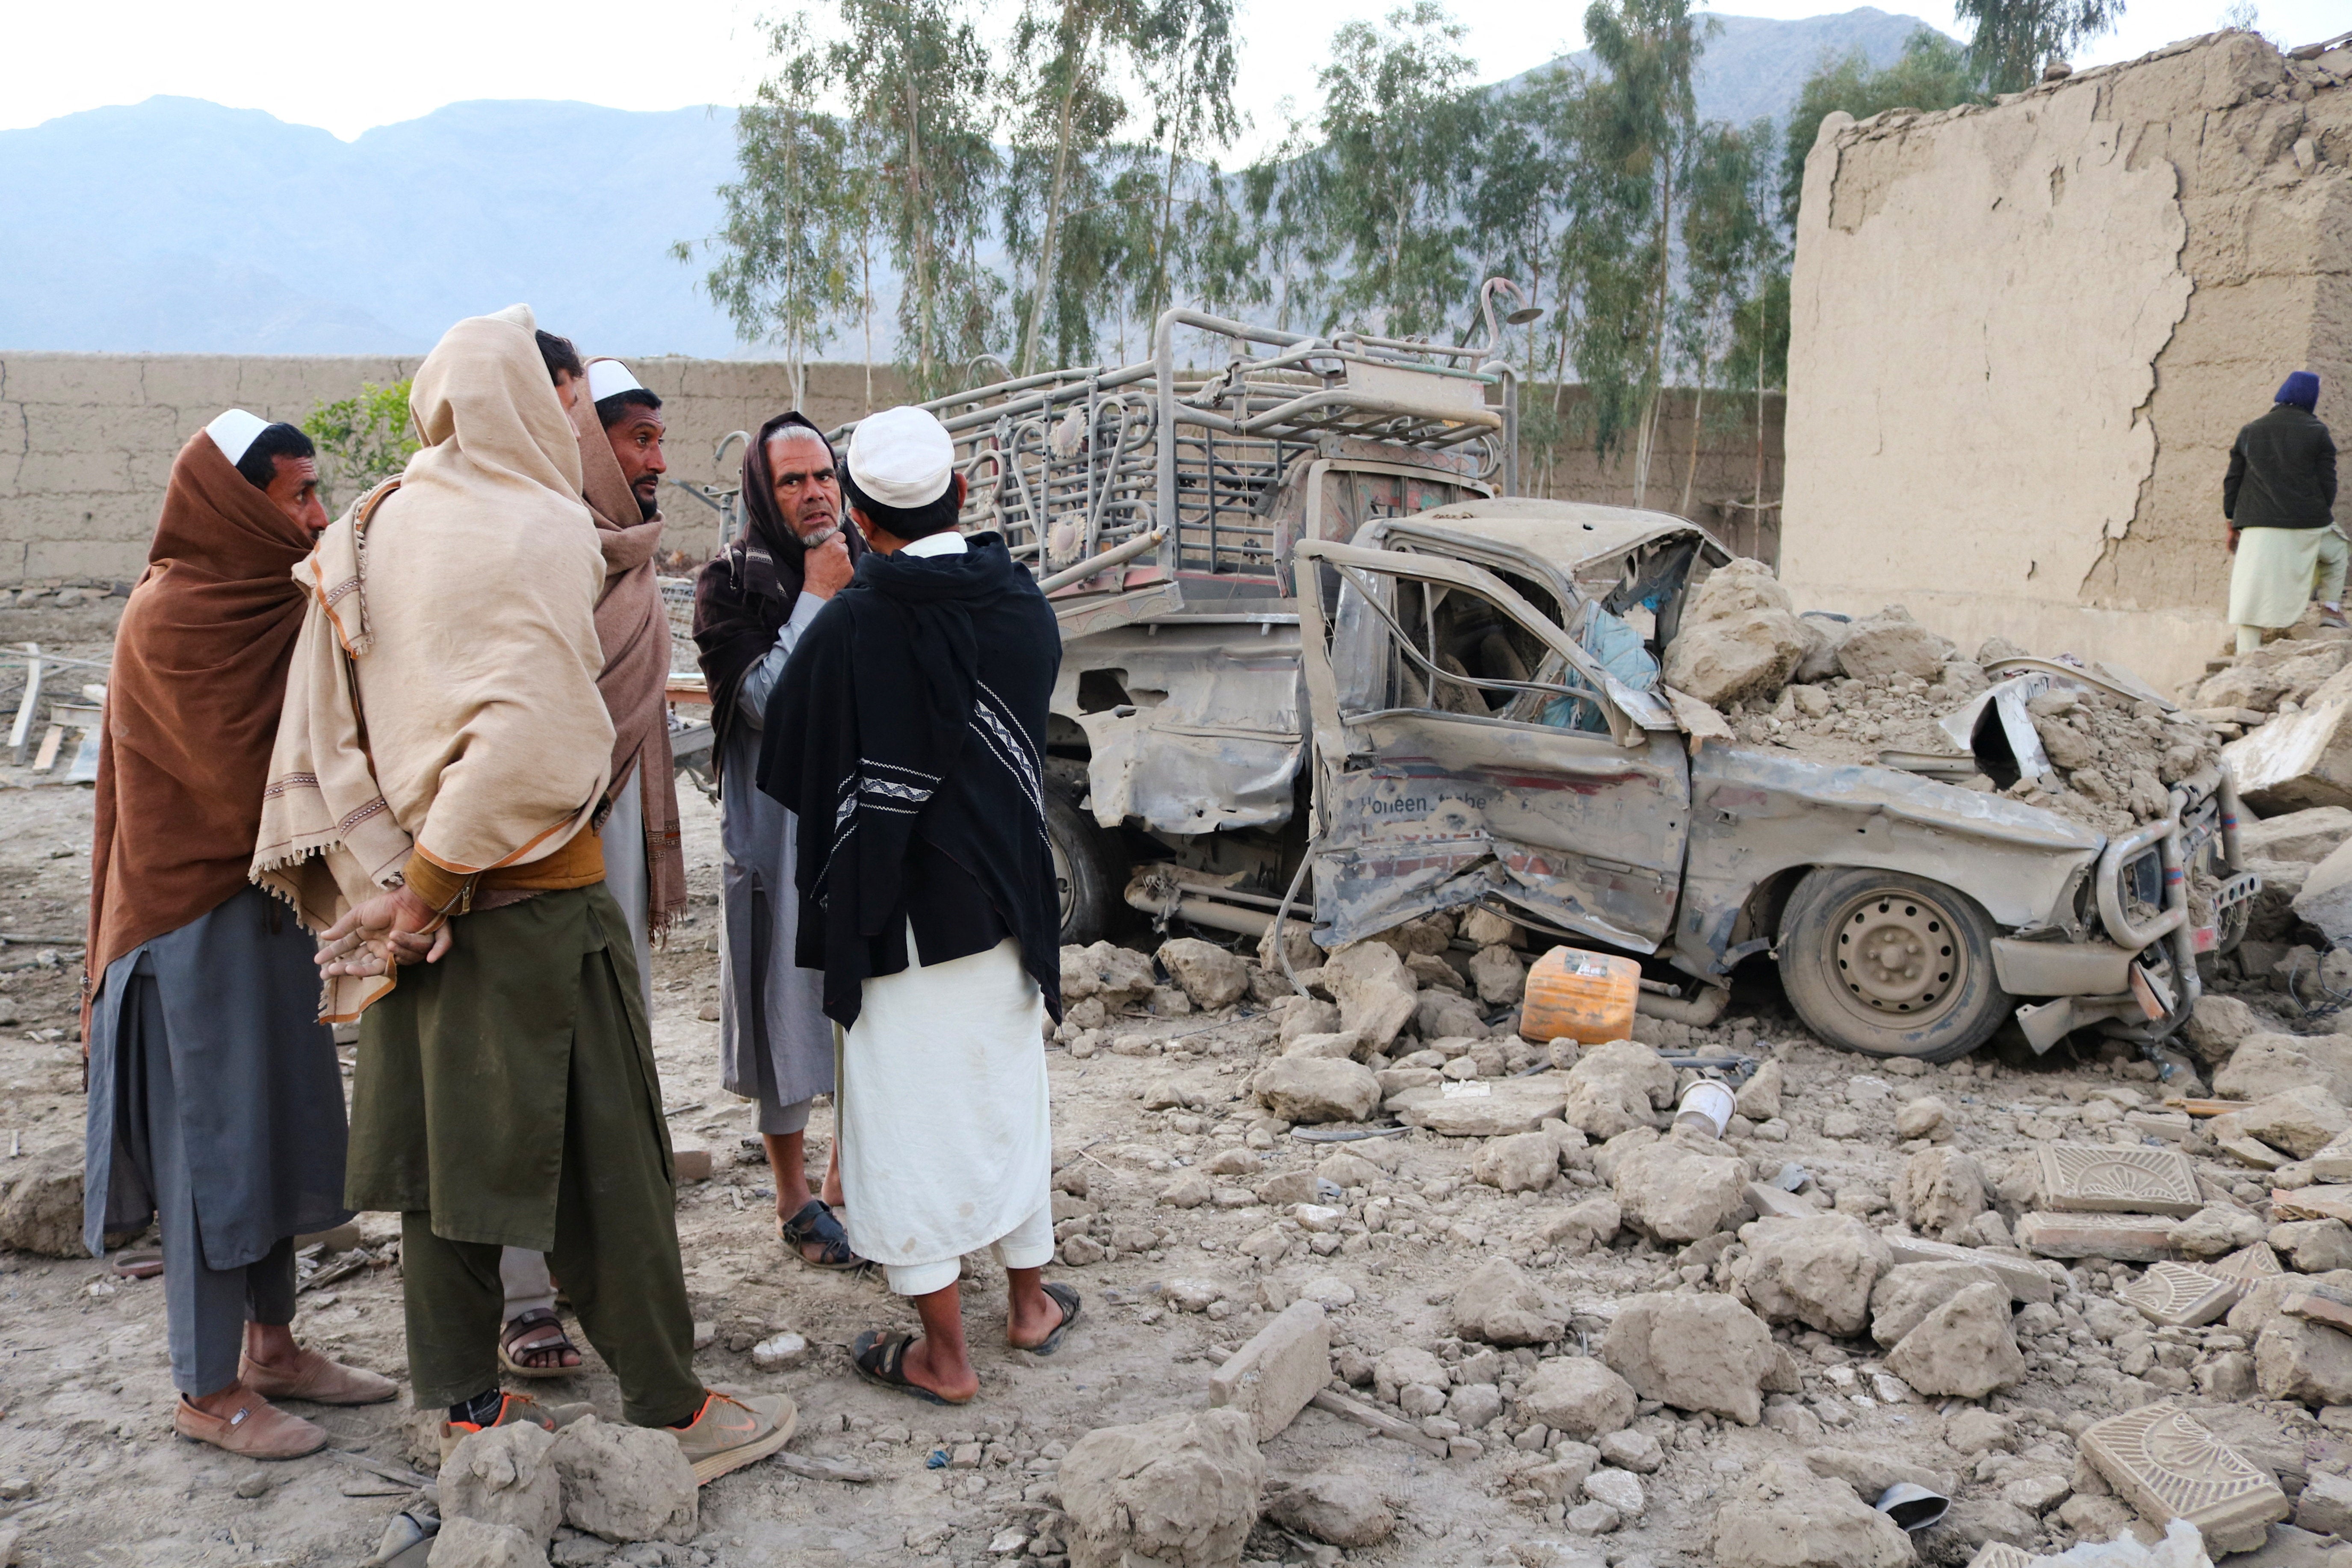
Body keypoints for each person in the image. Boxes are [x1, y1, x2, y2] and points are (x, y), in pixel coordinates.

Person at [249, 305, 792, 1480]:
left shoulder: (370, 524)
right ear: (522, 401)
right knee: (611, 1164)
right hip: (529, 901)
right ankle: (672, 1408)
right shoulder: (543, 524)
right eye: (566, 399)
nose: (574, 422)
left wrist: (405, 892)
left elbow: (352, 724)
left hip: (409, 918)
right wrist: (437, 883)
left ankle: (464, 1405)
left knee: (439, 1167)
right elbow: (532, 735)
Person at [83, 410, 397, 1459]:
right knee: (210, 1153)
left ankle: (273, 1347)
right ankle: (204, 1386)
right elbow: (240, 779)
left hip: (265, 908)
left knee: (272, 1132)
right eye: (298, 493)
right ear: (234, 502)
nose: (315, 515)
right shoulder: (174, 614)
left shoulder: (278, 601)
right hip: (189, 926)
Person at [759, 405, 1076, 1405]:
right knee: (1006, 1101)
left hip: (894, 923)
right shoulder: (1020, 603)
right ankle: (1029, 1303)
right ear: (962, 492)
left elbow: (789, 755)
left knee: (904, 1125)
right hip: (1008, 905)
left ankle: (944, 1355)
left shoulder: (853, 622)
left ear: (856, 514)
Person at [494, 356, 691, 1378]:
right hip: (525, 848)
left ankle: (599, 1271)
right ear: (584, 441)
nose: (656, 461)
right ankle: (523, 1293)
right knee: (530, 1067)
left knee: (611, 1063)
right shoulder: (532, 547)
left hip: (613, 851)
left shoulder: (635, 562)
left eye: (659, 440)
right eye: (637, 439)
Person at [692, 412, 866, 1271]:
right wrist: (816, 599)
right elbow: (764, 700)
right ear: (764, 492)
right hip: (776, 833)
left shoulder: (871, 565)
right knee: (783, 1006)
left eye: (823, 475)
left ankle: (845, 1182)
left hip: (858, 823)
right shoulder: (731, 583)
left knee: (863, 1009)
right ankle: (794, 1199)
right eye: (792, 481)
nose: (814, 494)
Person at [2225, 370, 2339, 650]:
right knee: (2338, 552)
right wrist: (2317, 515)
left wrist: (2232, 522)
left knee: (2250, 595)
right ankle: (2331, 610)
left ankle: (2245, 659)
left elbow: (2233, 480)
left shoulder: (2251, 430)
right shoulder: (2317, 432)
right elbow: (2328, 484)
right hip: (2305, 522)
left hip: (2256, 525)